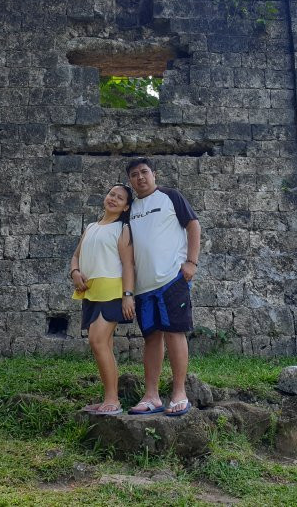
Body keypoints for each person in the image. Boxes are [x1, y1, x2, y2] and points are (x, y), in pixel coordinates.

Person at [125, 157, 201, 416]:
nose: (140, 177)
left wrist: (191, 262)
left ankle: (179, 392)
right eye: (134, 174)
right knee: (151, 339)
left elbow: (193, 225)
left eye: (144, 172)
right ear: (130, 181)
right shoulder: (131, 207)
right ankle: (152, 396)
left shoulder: (170, 196)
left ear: (154, 174)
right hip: (143, 286)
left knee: (174, 333)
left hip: (171, 279)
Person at [69, 184, 136, 416]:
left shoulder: (123, 228)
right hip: (90, 291)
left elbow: (128, 265)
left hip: (112, 290)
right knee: (103, 345)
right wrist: (75, 272)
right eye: (111, 194)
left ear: (126, 206)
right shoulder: (90, 227)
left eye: (120, 198)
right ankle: (109, 396)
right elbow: (76, 255)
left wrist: (128, 296)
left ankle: (113, 400)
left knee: (97, 341)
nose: (114, 199)